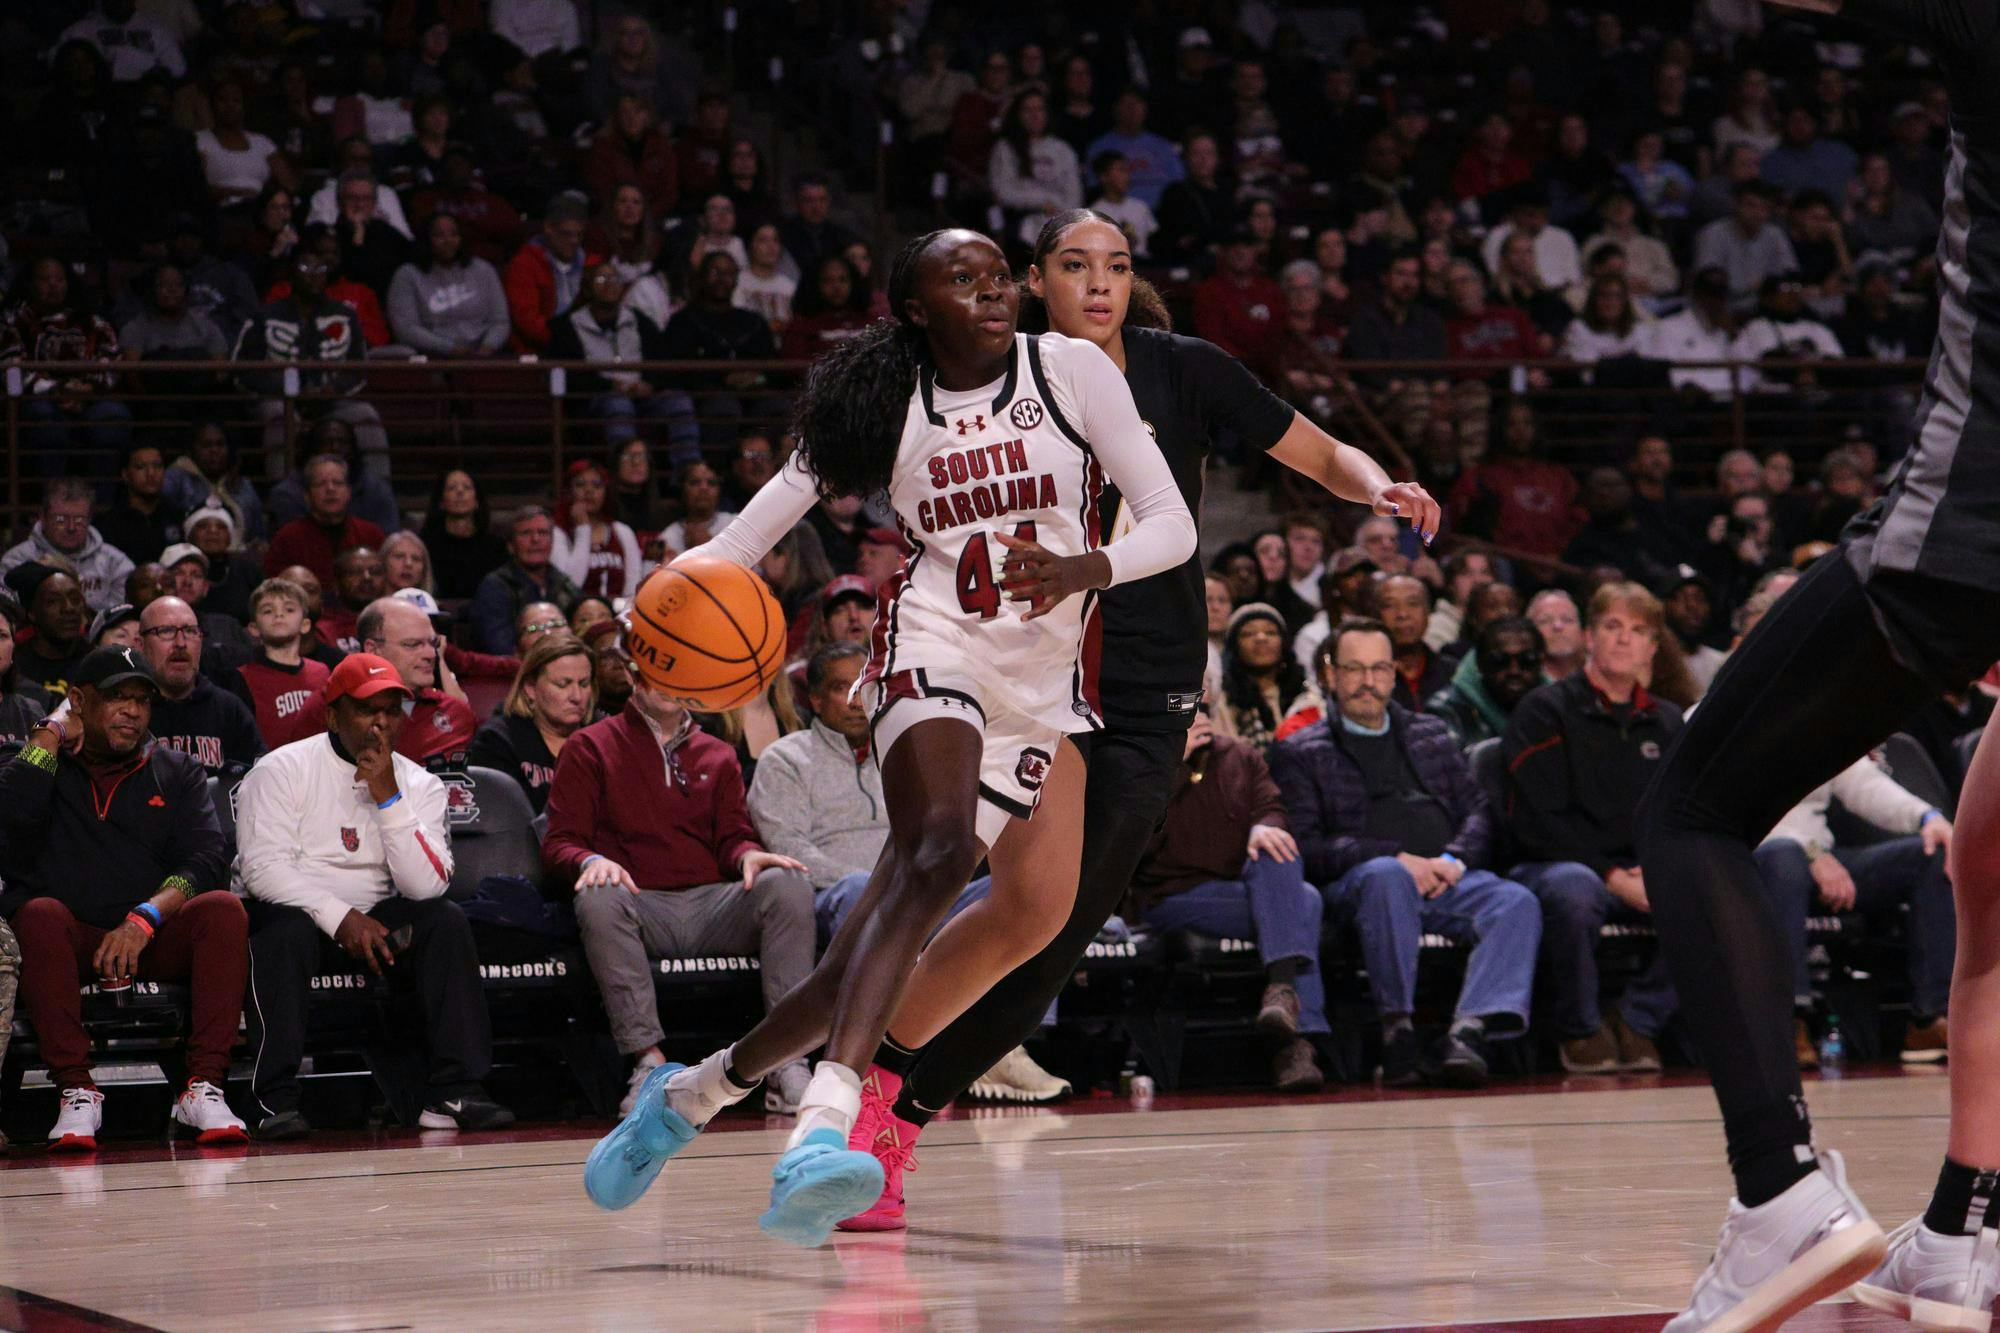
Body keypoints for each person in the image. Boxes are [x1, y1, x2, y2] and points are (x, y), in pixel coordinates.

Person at [578, 225, 1202, 1245]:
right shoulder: (882, 401)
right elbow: (744, 538)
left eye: (999, 273)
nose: (991, 290)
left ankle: (688, 1097)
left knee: (857, 963)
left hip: (1038, 684)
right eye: (962, 279)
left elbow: (1168, 522)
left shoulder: (1073, 369)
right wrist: (663, 615)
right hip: (930, 646)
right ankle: (823, 1129)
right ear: (916, 309)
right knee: (939, 847)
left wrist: (1081, 571)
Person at [820, 211, 1436, 1231]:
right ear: (1029, 283)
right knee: (1022, 907)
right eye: (1073, 266)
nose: (1097, 283)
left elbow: (1316, 452)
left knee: (1058, 933)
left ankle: (892, 1101)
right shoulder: (998, 375)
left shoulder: (1180, 367)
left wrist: (1382, 484)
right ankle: (864, 1101)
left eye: (1115, 266)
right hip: (1033, 666)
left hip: (1150, 681)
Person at [236, 653, 514, 1140]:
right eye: (367, 710)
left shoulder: (419, 784)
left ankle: (455, 1089)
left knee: (444, 921)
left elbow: (424, 886)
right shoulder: (281, 770)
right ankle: (271, 1099)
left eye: (392, 710)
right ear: (333, 716)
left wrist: (388, 797)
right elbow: (263, 870)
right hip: (300, 919)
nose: (382, 722)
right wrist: (341, 918)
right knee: (283, 928)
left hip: (378, 929)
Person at [1272, 618, 1541, 1090]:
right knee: (1385, 877)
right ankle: (1399, 1032)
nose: (1368, 682)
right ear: (1330, 675)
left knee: (1516, 901)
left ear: (1394, 675)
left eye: (1379, 669)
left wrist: (1453, 860)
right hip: (1360, 886)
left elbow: (1478, 811)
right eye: (1354, 669)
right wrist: (1398, 858)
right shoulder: (1301, 751)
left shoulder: (1431, 733)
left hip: (1443, 877)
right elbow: (1308, 845)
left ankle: (1468, 1033)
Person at [0, 645, 245, 1150]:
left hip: (149, 937)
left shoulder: (176, 769)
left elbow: (206, 860)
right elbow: (11, 813)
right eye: (116, 698)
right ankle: (75, 1091)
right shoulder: (45, 763)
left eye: (142, 700)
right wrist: (49, 732)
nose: (132, 711)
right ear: (78, 702)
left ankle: (202, 1087)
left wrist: (146, 917)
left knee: (223, 910)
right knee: (38, 913)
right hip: (70, 941)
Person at [546, 659, 816, 1113]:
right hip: (637, 902)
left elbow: (732, 837)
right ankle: (648, 1062)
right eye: (657, 672)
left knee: (787, 884)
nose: (670, 685)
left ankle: (786, 1060)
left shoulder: (718, 751)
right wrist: (590, 860)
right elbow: (559, 844)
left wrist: (747, 853)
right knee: (597, 896)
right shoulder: (589, 746)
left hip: (712, 905)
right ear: (633, 676)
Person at [1505, 582, 1682, 1076]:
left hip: (1640, 867)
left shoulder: (1668, 722)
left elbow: (1681, 814)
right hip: (1554, 863)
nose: (1625, 640)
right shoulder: (1545, 710)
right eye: (1612, 627)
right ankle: (1580, 1028)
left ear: (1652, 646)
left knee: (1709, 888)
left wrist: (1656, 867)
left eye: (1638, 630)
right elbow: (1538, 820)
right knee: (1575, 889)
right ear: (1588, 636)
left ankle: (1637, 1018)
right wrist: (1611, 874)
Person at [1131, 708, 1328, 1092]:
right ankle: (1295, 1042)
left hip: (1239, 888)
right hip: (1170, 895)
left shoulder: (1242, 757)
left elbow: (1272, 809)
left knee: (1277, 850)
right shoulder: (1144, 764)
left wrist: (1263, 827)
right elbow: (1134, 844)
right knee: (1305, 903)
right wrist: (1174, 763)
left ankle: (1282, 997)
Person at [467, 634, 595, 814]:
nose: (577, 696)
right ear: (530, 688)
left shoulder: (606, 737)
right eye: (563, 684)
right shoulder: (497, 742)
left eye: (584, 684)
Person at [136, 596, 261, 779]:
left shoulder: (229, 710)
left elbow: (258, 778)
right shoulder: (129, 711)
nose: (180, 643)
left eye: (189, 631)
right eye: (166, 631)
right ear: (140, 645)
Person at [358, 597, 476, 770]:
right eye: (413, 645)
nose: (431, 654)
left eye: (433, 643)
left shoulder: (456, 713)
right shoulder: (334, 708)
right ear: (373, 650)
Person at [386, 213, 511, 357]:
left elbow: (500, 321)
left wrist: (488, 346)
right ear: (427, 239)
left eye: (454, 234)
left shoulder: (483, 270)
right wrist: (449, 348)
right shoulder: (407, 275)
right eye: (439, 235)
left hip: (483, 355)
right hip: (430, 357)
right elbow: (406, 328)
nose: (448, 240)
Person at [469, 507, 580, 656]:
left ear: (552, 542)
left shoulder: (564, 584)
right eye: (526, 533)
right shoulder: (495, 586)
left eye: (543, 533)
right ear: (511, 545)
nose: (536, 540)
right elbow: (500, 648)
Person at [263, 454, 387, 588]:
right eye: (321, 484)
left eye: (338, 483)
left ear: (348, 492)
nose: (330, 489)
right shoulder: (287, 538)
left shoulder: (371, 534)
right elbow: (275, 589)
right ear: (307, 496)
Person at [238, 577, 331, 750]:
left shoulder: (322, 672)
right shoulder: (243, 677)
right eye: (267, 611)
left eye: (289, 609)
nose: (279, 615)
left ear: (305, 624)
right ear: (253, 628)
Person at [1428, 616, 1548, 748]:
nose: (1514, 670)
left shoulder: (1557, 708)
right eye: (1499, 660)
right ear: (1479, 664)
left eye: (1527, 659)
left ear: (1541, 662)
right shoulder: (1446, 709)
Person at [504, 195, 599, 353]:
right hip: (544, 352)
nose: (574, 241)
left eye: (579, 235)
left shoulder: (593, 264)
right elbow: (528, 323)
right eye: (566, 234)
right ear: (549, 227)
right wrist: (569, 343)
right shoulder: (524, 265)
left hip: (590, 349)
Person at [550, 460, 644, 600]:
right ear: (569, 491)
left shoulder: (622, 532)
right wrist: (583, 529)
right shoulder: (558, 534)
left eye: (597, 485)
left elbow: (633, 585)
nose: (589, 491)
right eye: (580, 485)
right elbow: (570, 586)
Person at [419, 469, 509, 601]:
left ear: (477, 500)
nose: (460, 491)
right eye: (451, 488)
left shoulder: (496, 547)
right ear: (441, 501)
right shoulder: (425, 545)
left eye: (467, 487)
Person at [8, 564, 90, 700]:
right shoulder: (14, 666)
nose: (68, 608)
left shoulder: (96, 660)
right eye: (53, 601)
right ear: (31, 613)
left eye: (75, 599)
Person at [95, 443, 183, 567]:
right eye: (141, 467)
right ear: (125, 475)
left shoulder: (178, 517)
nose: (151, 473)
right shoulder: (109, 523)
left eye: (157, 466)